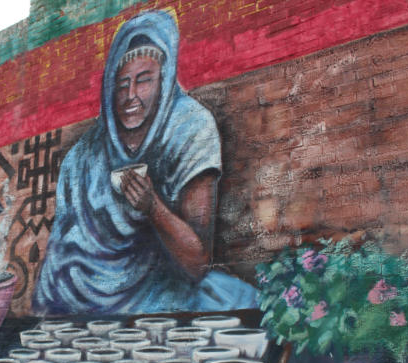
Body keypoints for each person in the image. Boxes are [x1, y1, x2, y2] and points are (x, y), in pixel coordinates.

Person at [33, 10, 257, 314]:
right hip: (86, 302)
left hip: (164, 292)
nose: (131, 96)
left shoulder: (189, 126)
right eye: (122, 83)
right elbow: (57, 264)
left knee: (249, 307)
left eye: (144, 80)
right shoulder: (83, 157)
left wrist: (153, 208)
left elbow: (197, 263)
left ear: (163, 81)